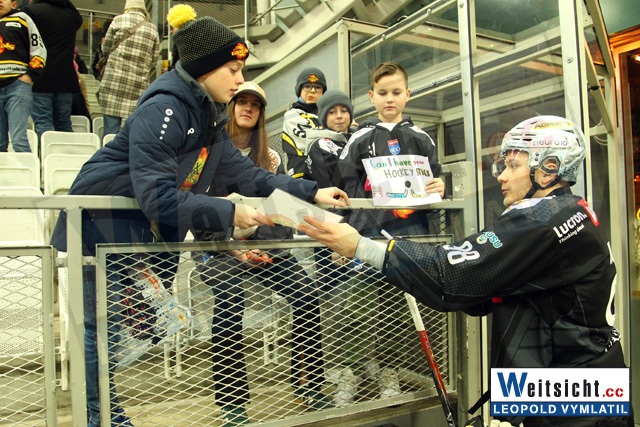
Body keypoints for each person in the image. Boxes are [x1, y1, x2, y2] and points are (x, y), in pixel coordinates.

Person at [49, 10, 347, 427]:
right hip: (101, 223)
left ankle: (106, 414)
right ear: (204, 67)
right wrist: (234, 213)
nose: (240, 81)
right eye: (233, 70)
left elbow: (249, 175)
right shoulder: (165, 108)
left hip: (142, 232)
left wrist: (310, 192)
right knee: (102, 331)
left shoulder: (207, 116)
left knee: (114, 333)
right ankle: (101, 417)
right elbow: (158, 196)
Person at [300, 115, 631, 427]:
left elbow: (450, 275)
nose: (501, 176)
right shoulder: (569, 210)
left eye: (513, 165)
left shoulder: (542, 221)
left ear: (548, 170)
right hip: (587, 383)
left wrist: (360, 246)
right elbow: (481, 290)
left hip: (576, 397)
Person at [195, 81, 333, 426]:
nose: (248, 108)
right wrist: (233, 247)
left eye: (255, 104)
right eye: (241, 101)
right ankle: (232, 403)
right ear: (231, 107)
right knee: (230, 297)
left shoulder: (271, 158)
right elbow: (198, 211)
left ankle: (308, 382)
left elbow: (283, 211)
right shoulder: (207, 151)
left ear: (261, 114)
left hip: (265, 246)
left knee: (307, 293)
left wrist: (260, 243)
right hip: (218, 247)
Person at [333, 61, 445, 402]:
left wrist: (439, 187)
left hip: (408, 235)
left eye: (396, 92)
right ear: (372, 96)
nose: (390, 99)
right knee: (358, 308)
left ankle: (389, 372)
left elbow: (436, 184)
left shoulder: (422, 138)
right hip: (367, 236)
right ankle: (350, 372)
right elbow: (344, 191)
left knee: (397, 311)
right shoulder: (359, 138)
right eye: (383, 93)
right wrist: (345, 235)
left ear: (407, 95)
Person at [22, 0, 82, 143]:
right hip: (66, 78)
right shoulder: (72, 15)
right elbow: (77, 16)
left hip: (41, 77)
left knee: (43, 121)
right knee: (64, 124)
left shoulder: (31, 11)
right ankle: (66, 154)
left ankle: (46, 153)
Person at [98, 0, 159, 136]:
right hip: (138, 85)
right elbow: (154, 59)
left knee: (110, 130)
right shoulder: (151, 28)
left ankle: (109, 149)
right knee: (132, 130)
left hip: (114, 82)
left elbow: (105, 48)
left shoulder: (118, 20)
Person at [0, 0, 46, 153]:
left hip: (17, 86)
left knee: (18, 140)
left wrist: (30, 75)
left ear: (13, 4)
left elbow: (39, 49)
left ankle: (28, 169)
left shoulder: (23, 19)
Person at [281, 67, 326, 179]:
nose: (312, 91)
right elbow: (310, 142)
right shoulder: (291, 115)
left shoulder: (328, 115)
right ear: (299, 89)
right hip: (301, 175)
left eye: (318, 87)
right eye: (307, 86)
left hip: (326, 174)